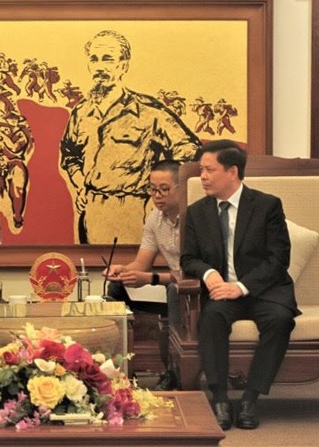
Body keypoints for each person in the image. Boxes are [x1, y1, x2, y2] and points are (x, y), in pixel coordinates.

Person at [180, 140, 299, 430]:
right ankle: (220, 399)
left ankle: (250, 399)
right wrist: (209, 273)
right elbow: (188, 258)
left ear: (232, 172)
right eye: (201, 170)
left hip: (264, 290)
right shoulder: (197, 211)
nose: (202, 177)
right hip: (222, 292)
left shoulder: (267, 205)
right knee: (211, 318)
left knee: (280, 320)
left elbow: (278, 259)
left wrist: (242, 287)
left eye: (209, 170)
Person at [60, 30, 202, 244]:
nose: (99, 67)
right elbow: (70, 155)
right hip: (90, 211)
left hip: (133, 209)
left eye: (108, 59)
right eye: (94, 59)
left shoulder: (148, 111)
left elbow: (190, 150)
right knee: (90, 265)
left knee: (130, 265)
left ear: (123, 65)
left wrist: (160, 191)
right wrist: (81, 185)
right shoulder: (81, 112)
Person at [103, 160, 181, 323]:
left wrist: (151, 278)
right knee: (116, 286)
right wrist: (123, 270)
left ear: (181, 188)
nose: (157, 195)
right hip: (172, 283)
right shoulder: (154, 218)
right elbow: (142, 264)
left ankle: (174, 338)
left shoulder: (194, 217)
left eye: (164, 189)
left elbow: (191, 274)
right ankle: (123, 335)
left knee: (174, 289)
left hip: (194, 285)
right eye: (152, 189)